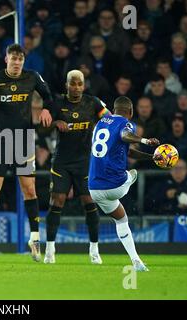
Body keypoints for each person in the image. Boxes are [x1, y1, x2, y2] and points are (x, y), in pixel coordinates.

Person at [0, 43, 53, 262]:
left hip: (23, 140)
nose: (16, 63)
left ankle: (34, 238)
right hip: (2, 140)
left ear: (23, 61)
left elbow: (48, 96)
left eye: (20, 59)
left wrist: (47, 109)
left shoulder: (32, 77)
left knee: (29, 190)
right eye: (13, 59)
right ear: (6, 60)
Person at [44, 70, 111, 265]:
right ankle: (50, 249)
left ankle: (94, 250)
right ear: (66, 85)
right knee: (57, 202)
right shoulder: (58, 104)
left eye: (79, 84)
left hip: (85, 162)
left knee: (89, 203)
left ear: (84, 85)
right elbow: (41, 126)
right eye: (72, 84)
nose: (76, 87)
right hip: (62, 162)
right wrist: (56, 122)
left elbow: (109, 119)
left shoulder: (93, 103)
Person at [88, 96, 162, 271]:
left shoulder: (100, 123)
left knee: (122, 220)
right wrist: (145, 141)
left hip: (94, 188)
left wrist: (151, 157)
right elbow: (125, 135)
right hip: (116, 185)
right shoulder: (126, 124)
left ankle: (136, 261)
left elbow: (129, 151)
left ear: (114, 110)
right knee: (133, 173)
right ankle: (131, 177)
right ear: (131, 112)